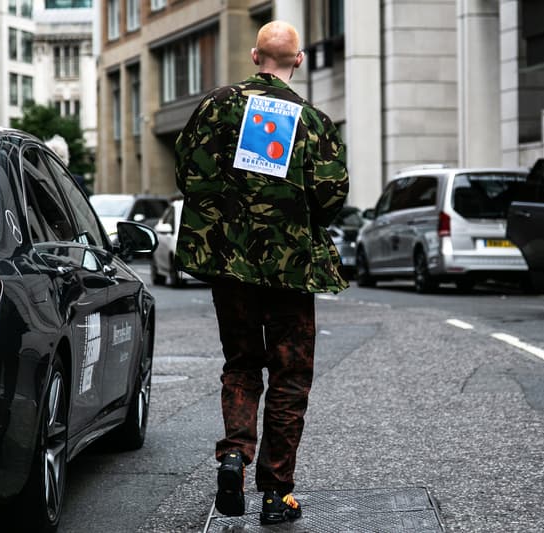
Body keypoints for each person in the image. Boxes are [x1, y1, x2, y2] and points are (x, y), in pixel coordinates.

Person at [173, 20, 349, 525]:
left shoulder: (215, 106)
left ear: (254, 56)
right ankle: (276, 493)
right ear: (296, 61)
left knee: (242, 363)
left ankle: (233, 455)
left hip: (231, 267)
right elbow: (332, 195)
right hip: (292, 272)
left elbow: (188, 174)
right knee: (290, 375)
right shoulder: (312, 120)